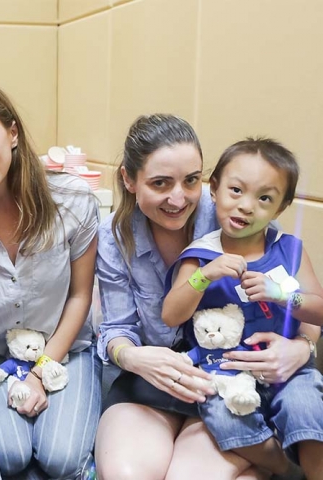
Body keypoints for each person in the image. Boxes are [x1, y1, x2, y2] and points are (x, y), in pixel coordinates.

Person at [95, 114, 319, 480]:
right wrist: (134, 357)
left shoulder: (241, 218)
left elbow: (299, 300)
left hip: (232, 386)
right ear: (129, 180)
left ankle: (283, 465)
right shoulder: (112, 235)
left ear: (207, 182)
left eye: (190, 180)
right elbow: (117, 327)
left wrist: (303, 347)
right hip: (152, 384)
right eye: (160, 183)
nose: (178, 198)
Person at [0, 80, 100, 479]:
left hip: (65, 348)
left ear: (12, 132)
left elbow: (80, 296)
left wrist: (43, 371)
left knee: (61, 459)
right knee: (8, 456)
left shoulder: (74, 202)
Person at [162, 137, 323, 480]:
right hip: (224, 374)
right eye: (236, 190)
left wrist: (283, 295)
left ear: (281, 208)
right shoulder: (200, 254)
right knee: (224, 419)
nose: (247, 206)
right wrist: (204, 276)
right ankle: (285, 469)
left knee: (308, 410)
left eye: (264, 198)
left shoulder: (289, 249)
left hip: (288, 370)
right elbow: (171, 315)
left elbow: (318, 310)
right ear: (214, 189)